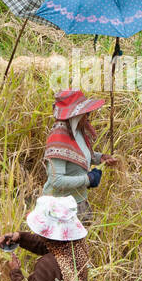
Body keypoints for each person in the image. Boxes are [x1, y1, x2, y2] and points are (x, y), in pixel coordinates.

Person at [0, 195, 91, 281]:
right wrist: (20, 237)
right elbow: (51, 246)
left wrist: (15, 271)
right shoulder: (77, 244)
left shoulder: (47, 265)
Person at [42, 89, 117, 225]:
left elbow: (78, 155)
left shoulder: (77, 132)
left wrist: (100, 158)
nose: (88, 116)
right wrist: (88, 179)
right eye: (86, 113)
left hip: (79, 200)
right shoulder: (59, 139)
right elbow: (56, 181)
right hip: (59, 207)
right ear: (75, 115)